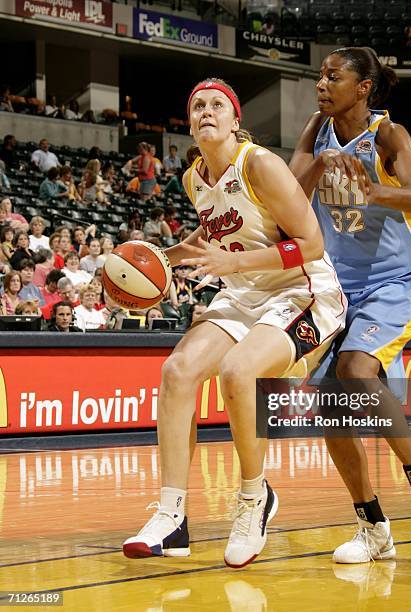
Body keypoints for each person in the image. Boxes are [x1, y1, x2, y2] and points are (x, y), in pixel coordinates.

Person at [123, 77, 347, 568]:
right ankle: (172, 516)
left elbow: (310, 246)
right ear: (190, 121)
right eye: (197, 104)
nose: (206, 111)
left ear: (235, 119)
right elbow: (216, 230)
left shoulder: (260, 164)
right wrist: (158, 258)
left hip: (304, 291)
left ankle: (253, 499)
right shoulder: (193, 177)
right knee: (177, 372)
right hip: (245, 292)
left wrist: (235, 266)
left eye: (217, 104)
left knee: (238, 372)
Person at [289, 47, 411, 564]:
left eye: (333, 77)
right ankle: (373, 528)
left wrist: (373, 188)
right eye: (320, 75)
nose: (322, 84)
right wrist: (319, 165)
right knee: (331, 412)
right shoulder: (317, 128)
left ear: (363, 88)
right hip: (337, 285)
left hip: (392, 281)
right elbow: (290, 193)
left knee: (358, 370)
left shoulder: (388, 135)